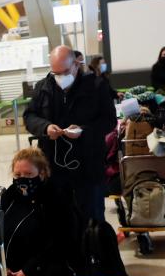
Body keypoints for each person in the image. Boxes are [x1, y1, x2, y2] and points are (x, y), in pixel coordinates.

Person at [24, 46, 117, 222]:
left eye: (65, 72)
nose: (60, 78)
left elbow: (109, 120)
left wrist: (84, 131)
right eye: (55, 73)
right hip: (53, 166)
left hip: (88, 165)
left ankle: (93, 248)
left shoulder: (96, 86)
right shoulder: (43, 88)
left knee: (92, 218)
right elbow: (29, 116)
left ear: (76, 64)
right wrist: (45, 127)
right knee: (58, 220)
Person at [1, 148, 79, 276]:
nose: (22, 179)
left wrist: (31, 270)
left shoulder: (56, 199)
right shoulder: (9, 197)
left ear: (42, 173)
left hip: (48, 272)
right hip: (15, 274)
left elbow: (61, 241)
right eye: (18, 174)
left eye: (28, 174)